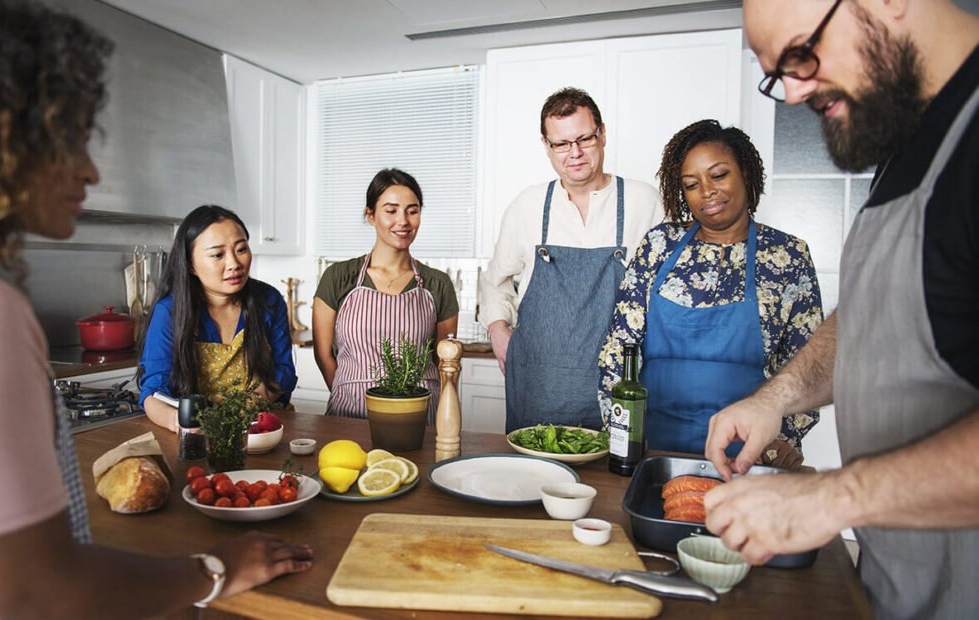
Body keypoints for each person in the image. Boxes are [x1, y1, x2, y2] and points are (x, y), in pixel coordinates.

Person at [0, 1, 313, 617]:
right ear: (2, 137)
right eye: (70, 139)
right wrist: (214, 569)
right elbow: (29, 590)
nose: (92, 169)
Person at [704, 1, 979, 618]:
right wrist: (774, 399)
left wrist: (831, 498)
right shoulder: (910, 141)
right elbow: (879, 315)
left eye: (800, 55)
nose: (796, 92)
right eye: (779, 73)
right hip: (898, 589)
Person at [597, 120, 822, 467]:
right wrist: (621, 432)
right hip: (650, 444)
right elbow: (618, 348)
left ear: (745, 172)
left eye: (719, 175)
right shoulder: (658, 246)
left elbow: (807, 362)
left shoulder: (788, 256)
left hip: (749, 451)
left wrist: (782, 437)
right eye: (691, 184)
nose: (707, 191)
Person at [480, 87, 665, 432]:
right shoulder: (528, 206)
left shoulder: (645, 202)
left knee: (613, 481)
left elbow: (667, 294)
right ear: (546, 146)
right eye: (561, 144)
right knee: (531, 480)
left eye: (584, 139)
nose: (575, 153)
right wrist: (497, 328)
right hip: (539, 382)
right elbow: (495, 280)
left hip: (620, 387)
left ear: (603, 134)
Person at [312, 168, 458, 421]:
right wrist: (349, 391)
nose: (403, 221)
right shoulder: (338, 277)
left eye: (412, 211)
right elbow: (323, 354)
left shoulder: (438, 284)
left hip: (421, 416)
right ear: (370, 215)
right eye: (391, 211)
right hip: (351, 415)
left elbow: (446, 363)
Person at [138, 205, 297, 431]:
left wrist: (247, 406)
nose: (234, 264)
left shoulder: (268, 300)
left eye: (241, 249)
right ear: (191, 264)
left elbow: (283, 371)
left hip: (263, 428)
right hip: (200, 431)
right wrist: (184, 425)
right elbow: (153, 393)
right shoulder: (170, 311)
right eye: (217, 255)